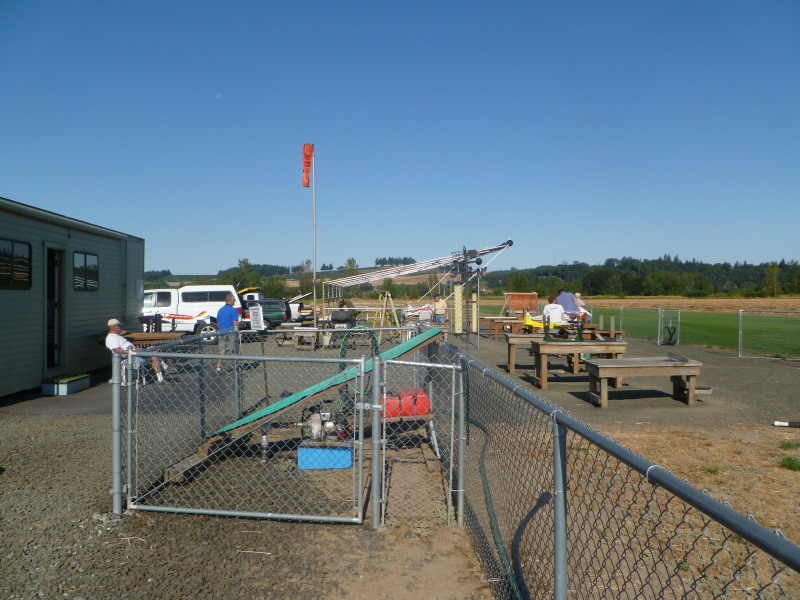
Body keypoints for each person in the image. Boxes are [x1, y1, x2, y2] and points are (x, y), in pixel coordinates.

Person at [106, 318, 165, 383]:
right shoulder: (111, 338)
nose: (121, 328)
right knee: (153, 354)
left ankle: (162, 368)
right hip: (130, 357)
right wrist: (134, 351)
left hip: (134, 353)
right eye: (120, 326)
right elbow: (118, 351)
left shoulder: (116, 336)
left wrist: (136, 350)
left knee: (152, 348)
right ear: (115, 327)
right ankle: (161, 375)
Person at [216, 293, 240, 373]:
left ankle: (218, 367)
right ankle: (238, 366)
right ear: (231, 300)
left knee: (222, 350)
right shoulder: (233, 310)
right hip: (231, 334)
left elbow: (218, 323)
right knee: (234, 350)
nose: (234, 302)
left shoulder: (220, 310)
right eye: (234, 300)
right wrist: (237, 333)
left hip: (222, 333)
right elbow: (235, 323)